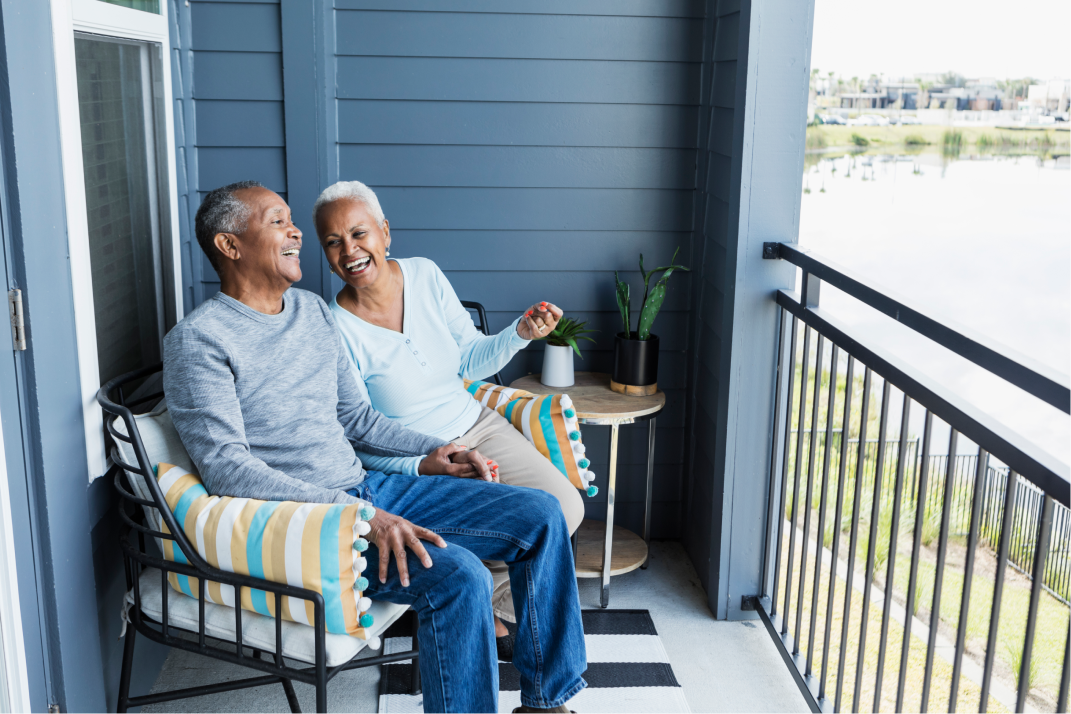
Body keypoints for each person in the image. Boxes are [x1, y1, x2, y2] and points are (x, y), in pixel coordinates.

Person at [164, 180, 586, 714]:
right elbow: (227, 470)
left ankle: (546, 704)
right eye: (277, 221)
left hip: (368, 490)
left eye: (292, 221)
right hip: (313, 524)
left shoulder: (310, 311)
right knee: (462, 577)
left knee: (542, 514)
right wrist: (360, 515)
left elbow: (357, 419)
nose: (296, 232)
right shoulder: (199, 340)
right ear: (230, 245)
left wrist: (439, 450)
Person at [313, 181, 585, 658]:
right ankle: (496, 616)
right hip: (417, 461)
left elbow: (470, 360)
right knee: (501, 531)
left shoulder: (425, 274)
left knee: (565, 508)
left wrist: (519, 333)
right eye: (334, 242)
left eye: (359, 234)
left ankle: (493, 608)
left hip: (477, 423)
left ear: (385, 232)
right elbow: (359, 434)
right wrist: (424, 462)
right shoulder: (333, 327)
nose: (350, 251)